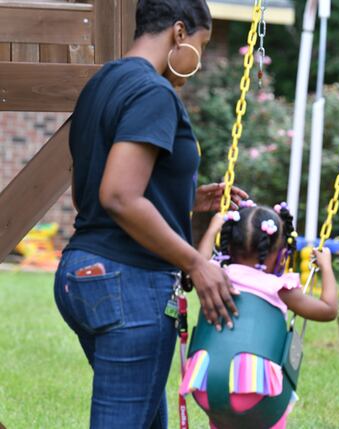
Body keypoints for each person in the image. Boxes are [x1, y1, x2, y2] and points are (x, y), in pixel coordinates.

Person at [53, 1, 247, 427]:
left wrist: (187, 199)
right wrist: (197, 262)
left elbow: (93, 185)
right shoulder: (153, 92)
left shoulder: (102, 82)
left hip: (83, 272)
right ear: (180, 33)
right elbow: (119, 196)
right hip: (128, 282)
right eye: (202, 43)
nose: (198, 56)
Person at [180, 202, 339, 428]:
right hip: (256, 392)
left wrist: (213, 228)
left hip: (204, 385)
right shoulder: (278, 287)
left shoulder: (215, 274)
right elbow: (328, 310)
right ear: (280, 252)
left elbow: (201, 260)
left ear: (228, 244)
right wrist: (326, 267)